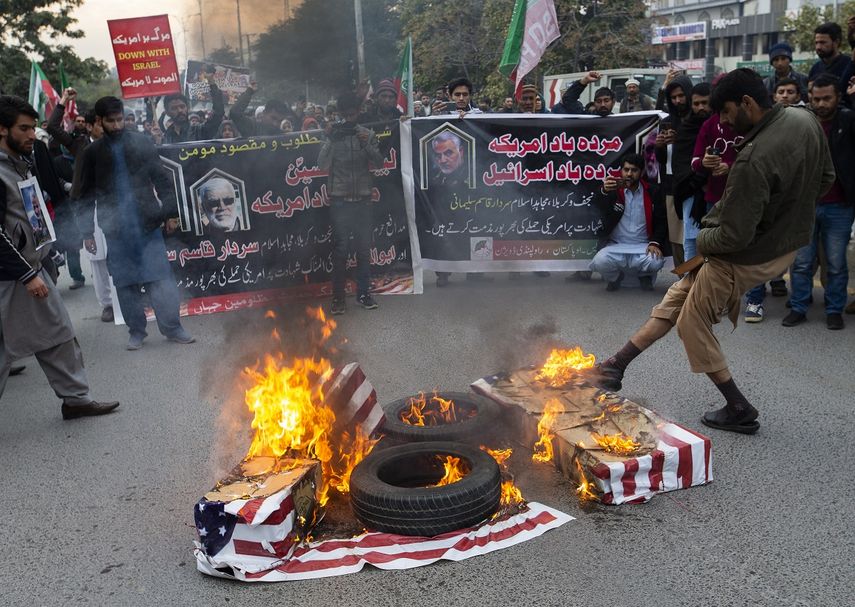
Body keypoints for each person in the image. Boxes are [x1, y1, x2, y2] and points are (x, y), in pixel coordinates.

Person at [591, 69, 835, 435]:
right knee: (678, 297)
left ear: (747, 104)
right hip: (780, 242)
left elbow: (732, 238)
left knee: (691, 321)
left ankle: (738, 406)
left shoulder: (753, 160)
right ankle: (615, 366)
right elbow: (826, 178)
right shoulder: (804, 118)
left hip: (745, 253)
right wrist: (787, 214)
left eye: (725, 112)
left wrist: (700, 240)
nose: (721, 120)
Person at [0, 95, 119, 419]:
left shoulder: (22, 164)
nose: (31, 135)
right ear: (2, 129)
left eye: (33, 128)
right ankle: (76, 398)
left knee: (58, 334)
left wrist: (44, 257)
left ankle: (75, 399)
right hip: (11, 278)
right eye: (23, 129)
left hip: (31, 269)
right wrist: (26, 274)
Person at [77, 96, 195, 350]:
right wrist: (86, 231)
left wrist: (170, 213)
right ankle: (137, 332)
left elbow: (162, 180)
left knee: (160, 278)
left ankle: (173, 327)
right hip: (116, 229)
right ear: (99, 121)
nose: (118, 125)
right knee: (125, 282)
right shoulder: (91, 153)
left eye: (120, 119)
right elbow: (84, 196)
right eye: (111, 121)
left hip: (148, 223)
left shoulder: (142, 142)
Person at [784, 74, 855, 330]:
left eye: (827, 98)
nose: (822, 103)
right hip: (804, 205)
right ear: (809, 98)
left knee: (835, 262)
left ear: (838, 97)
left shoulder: (847, 119)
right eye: (816, 99)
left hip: (839, 206)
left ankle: (834, 309)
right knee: (801, 261)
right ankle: (798, 307)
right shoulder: (802, 122)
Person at [318, 91, 384, 315]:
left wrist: (367, 144)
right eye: (345, 115)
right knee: (341, 251)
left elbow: (380, 162)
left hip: (363, 200)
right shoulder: (332, 136)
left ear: (358, 112)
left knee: (364, 250)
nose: (349, 119)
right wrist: (329, 139)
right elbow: (321, 165)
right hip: (340, 201)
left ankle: (363, 294)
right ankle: (338, 298)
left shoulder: (367, 133)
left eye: (352, 114)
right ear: (339, 115)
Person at [589, 153, 667, 291]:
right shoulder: (613, 191)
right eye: (626, 170)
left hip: (643, 246)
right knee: (599, 261)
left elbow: (661, 221)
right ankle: (615, 278)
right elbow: (596, 205)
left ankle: (645, 276)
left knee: (656, 261)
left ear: (641, 172)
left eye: (634, 170)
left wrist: (655, 242)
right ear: (621, 171)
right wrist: (604, 191)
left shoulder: (652, 192)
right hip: (616, 245)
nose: (629, 174)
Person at [655, 70, 694, 266]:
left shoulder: (697, 120)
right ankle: (683, 282)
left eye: (681, 96)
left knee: (694, 237)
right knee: (677, 238)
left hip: (694, 184)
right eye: (674, 97)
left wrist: (679, 139)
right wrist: (660, 145)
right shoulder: (667, 121)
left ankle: (699, 283)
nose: (678, 101)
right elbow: (662, 160)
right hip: (671, 185)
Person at [809, 22, 854, 100]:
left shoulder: (849, 64)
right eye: (816, 43)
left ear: (836, 42)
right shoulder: (815, 69)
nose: (818, 47)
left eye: (823, 42)